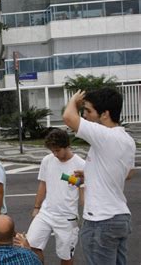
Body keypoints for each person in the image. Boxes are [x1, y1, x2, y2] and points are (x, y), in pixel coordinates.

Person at [63, 88, 136, 265]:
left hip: (100, 221)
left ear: (105, 114)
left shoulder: (105, 136)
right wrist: (91, 173)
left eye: (88, 110)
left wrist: (74, 100)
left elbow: (69, 117)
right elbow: (127, 173)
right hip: (119, 218)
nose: (85, 115)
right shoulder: (127, 140)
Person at [26, 128, 85, 264]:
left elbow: (84, 193)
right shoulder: (47, 160)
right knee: (31, 245)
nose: (55, 154)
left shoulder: (81, 165)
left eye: (57, 150)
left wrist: (82, 182)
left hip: (67, 218)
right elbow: (43, 185)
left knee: (66, 256)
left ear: (67, 146)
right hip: (46, 212)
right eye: (52, 151)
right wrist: (37, 207)